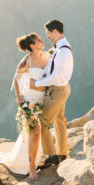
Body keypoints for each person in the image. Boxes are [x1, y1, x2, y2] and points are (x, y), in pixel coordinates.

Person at [0, 33, 49, 180]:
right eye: (38, 41)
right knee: (35, 132)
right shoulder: (26, 61)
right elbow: (16, 79)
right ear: (32, 46)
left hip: (43, 100)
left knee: (36, 133)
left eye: (41, 39)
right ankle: (32, 167)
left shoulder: (47, 56)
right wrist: (19, 98)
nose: (42, 41)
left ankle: (33, 159)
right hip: (29, 101)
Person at [30, 20, 73, 168]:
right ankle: (62, 154)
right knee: (60, 120)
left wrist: (35, 84)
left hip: (57, 91)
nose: (47, 36)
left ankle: (52, 156)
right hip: (62, 89)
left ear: (55, 31)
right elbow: (53, 71)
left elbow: (54, 77)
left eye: (48, 33)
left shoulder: (62, 52)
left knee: (43, 122)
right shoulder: (62, 49)